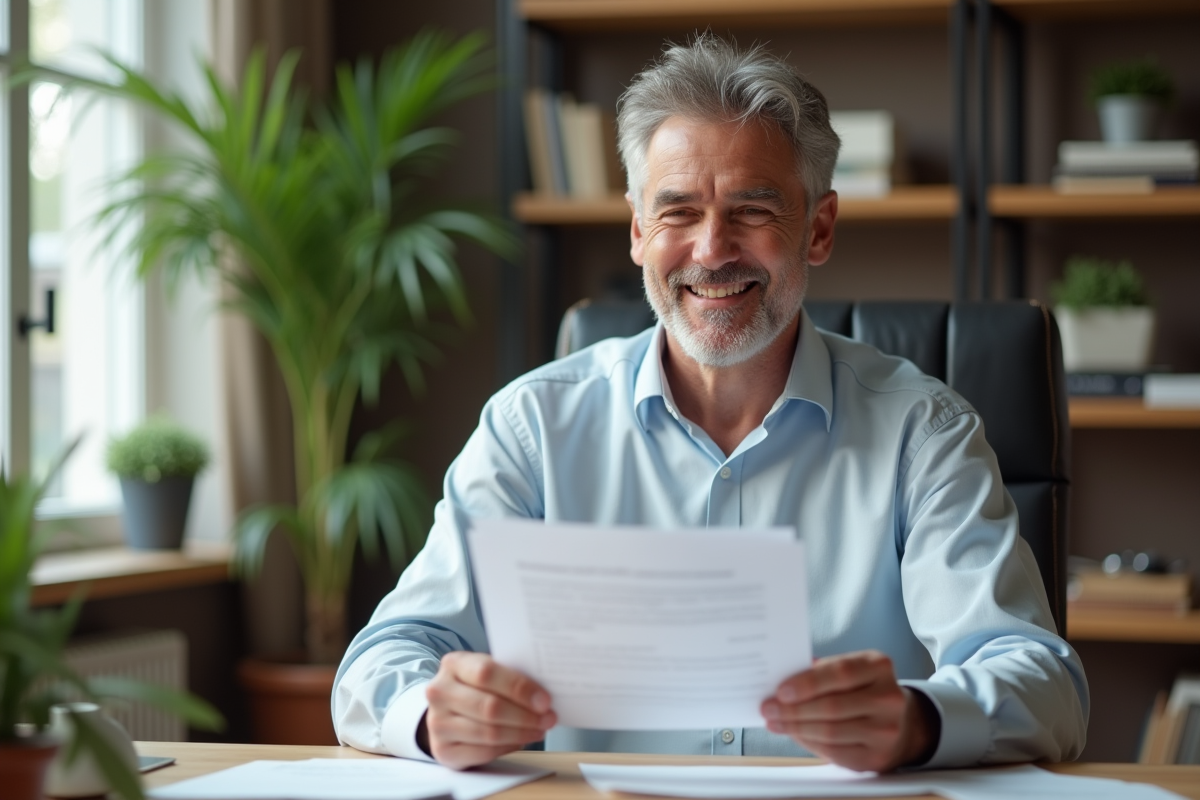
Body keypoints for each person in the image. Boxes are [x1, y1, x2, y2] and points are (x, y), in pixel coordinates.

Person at [332, 35, 1089, 773]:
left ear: (818, 229)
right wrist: (434, 715)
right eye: (678, 212)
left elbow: (1045, 684)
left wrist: (919, 721)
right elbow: (379, 663)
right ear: (637, 231)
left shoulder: (923, 433)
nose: (711, 249)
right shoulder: (532, 429)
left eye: (754, 211)